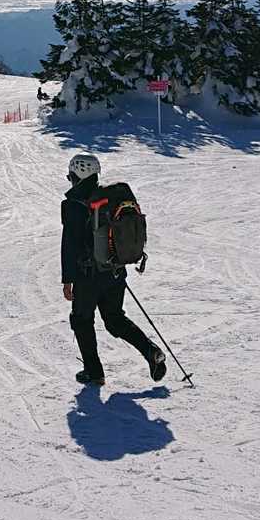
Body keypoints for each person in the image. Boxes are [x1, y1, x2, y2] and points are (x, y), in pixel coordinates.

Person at [61, 153, 166, 385]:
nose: (70, 179)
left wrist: (67, 280)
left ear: (78, 174)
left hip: (87, 276)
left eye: (71, 175)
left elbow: (70, 245)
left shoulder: (73, 205)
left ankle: (94, 372)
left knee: (81, 320)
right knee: (115, 318)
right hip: (114, 270)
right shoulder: (109, 197)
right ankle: (151, 351)